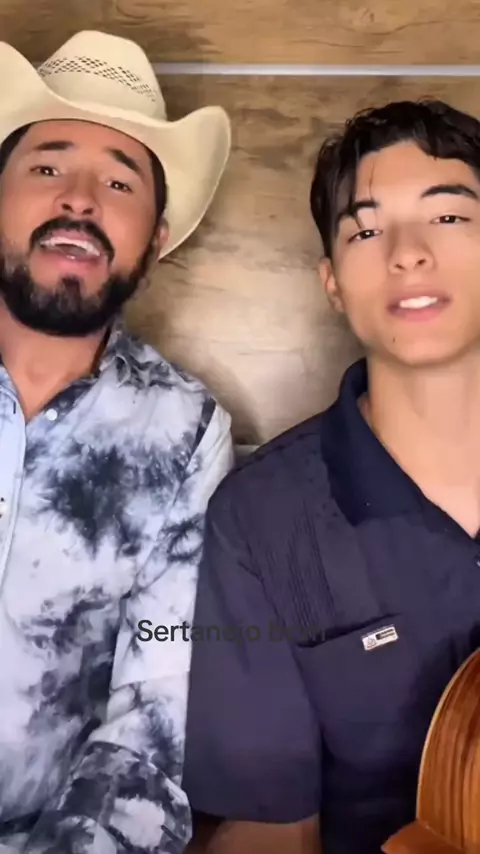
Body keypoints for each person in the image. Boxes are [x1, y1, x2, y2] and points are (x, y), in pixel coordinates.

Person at [182, 97, 480, 854]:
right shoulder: (260, 520)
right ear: (333, 283)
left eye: (449, 216)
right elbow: (270, 829)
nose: (407, 253)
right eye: (367, 230)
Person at [0, 28, 233, 854]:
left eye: (120, 180)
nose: (80, 199)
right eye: (48, 166)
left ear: (156, 239)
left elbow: (153, 718)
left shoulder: (184, 435)